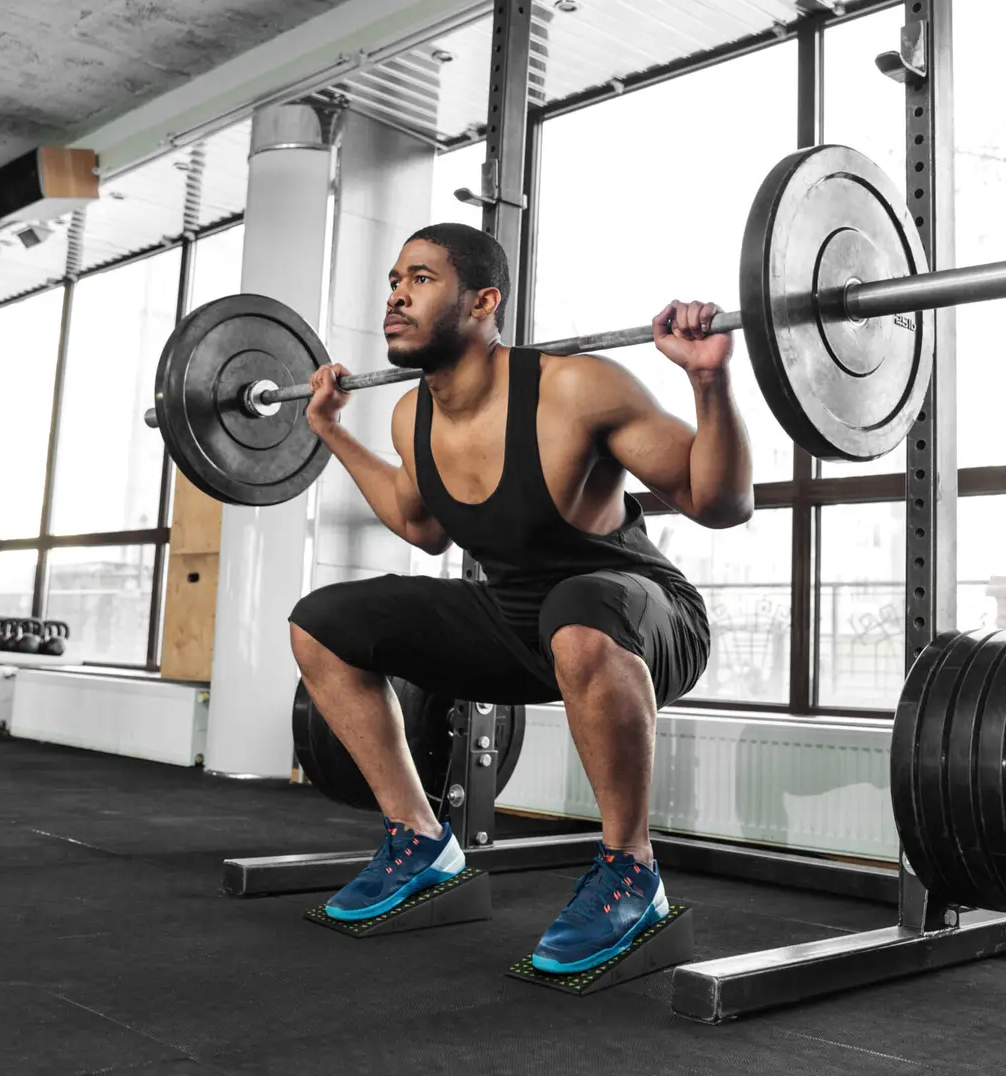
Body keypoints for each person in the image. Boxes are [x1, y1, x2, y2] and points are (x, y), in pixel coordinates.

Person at [287, 222, 753, 973]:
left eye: (421, 278)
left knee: (579, 612)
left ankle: (632, 872)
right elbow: (420, 525)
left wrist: (708, 380)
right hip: (517, 625)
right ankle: (419, 841)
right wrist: (330, 432)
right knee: (323, 623)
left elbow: (718, 501)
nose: (396, 295)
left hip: (641, 616)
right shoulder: (413, 415)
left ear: (483, 301)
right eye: (393, 281)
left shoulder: (576, 389)